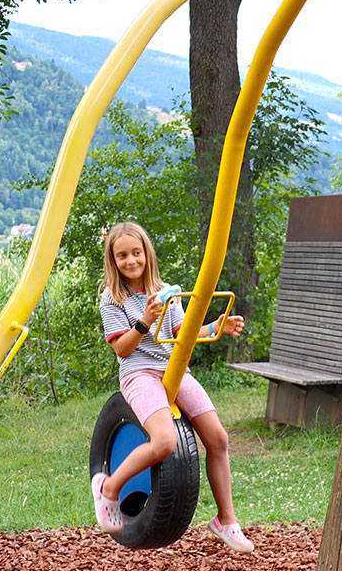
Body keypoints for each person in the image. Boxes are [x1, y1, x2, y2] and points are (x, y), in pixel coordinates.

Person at [89, 221, 253, 551]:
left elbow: (182, 334)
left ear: (147, 254)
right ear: (113, 261)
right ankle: (109, 488)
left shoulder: (167, 292)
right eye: (122, 256)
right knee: (164, 441)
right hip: (139, 373)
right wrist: (145, 321)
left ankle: (226, 520)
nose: (131, 261)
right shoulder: (113, 299)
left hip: (173, 369)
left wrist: (215, 326)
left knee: (218, 438)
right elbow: (122, 349)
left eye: (136, 253)